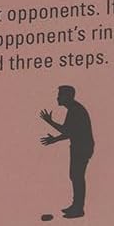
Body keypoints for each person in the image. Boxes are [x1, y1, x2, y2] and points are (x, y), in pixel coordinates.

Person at [39, 85, 94, 217]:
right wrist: (55, 139)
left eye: (60, 95)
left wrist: (50, 121)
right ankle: (76, 205)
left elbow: (67, 130)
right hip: (79, 146)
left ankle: (78, 209)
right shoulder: (74, 109)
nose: (57, 98)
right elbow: (71, 131)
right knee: (75, 176)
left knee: (77, 176)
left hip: (82, 148)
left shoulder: (75, 110)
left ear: (68, 96)